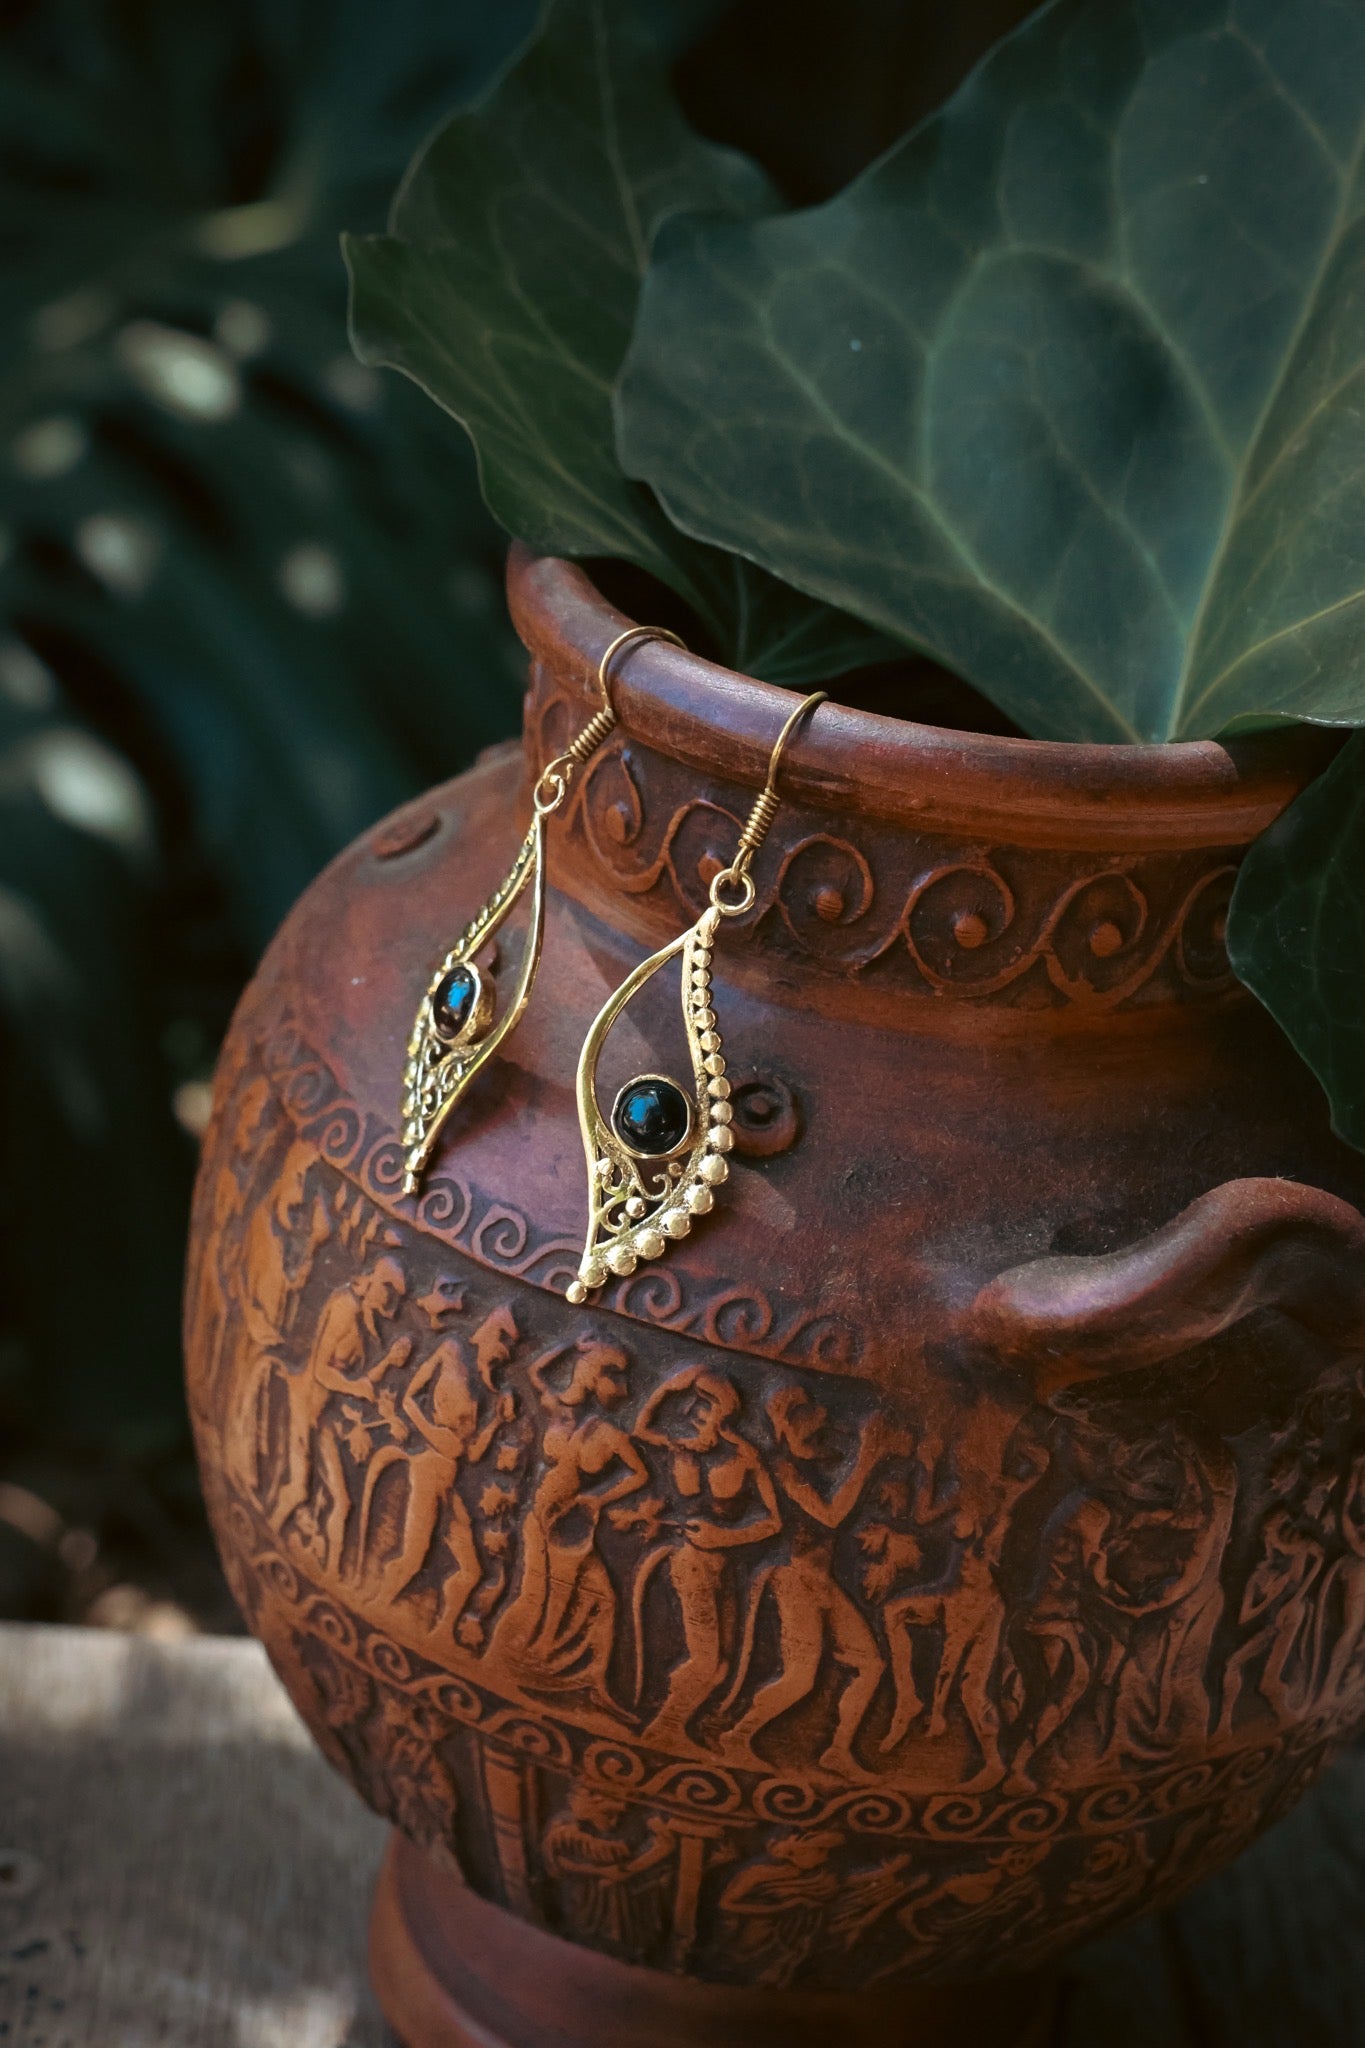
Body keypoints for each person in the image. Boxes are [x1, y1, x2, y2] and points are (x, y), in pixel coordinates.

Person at [723, 1389, 906, 1776]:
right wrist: (870, 1455)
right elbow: (830, 1516)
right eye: (808, 1411)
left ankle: (838, 1750)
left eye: (817, 1407)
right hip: (795, 1579)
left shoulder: (824, 1461)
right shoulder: (784, 1468)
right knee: (800, 1678)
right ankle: (738, 1735)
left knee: (870, 1665)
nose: (821, 1414)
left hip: (824, 1583)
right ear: (786, 1423)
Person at [489, 1337, 648, 1712]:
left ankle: (588, 1683)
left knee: (599, 1599)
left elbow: (639, 1474)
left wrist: (598, 1498)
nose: (623, 1389)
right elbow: (535, 1372)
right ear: (594, 1377)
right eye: (616, 1378)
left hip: (574, 1517)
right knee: (542, 1593)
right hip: (543, 1518)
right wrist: (573, 1346)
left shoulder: (609, 1434)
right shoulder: (557, 1409)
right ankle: (532, 1666)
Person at [632, 1365, 780, 1750]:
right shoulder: (681, 1449)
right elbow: (640, 1429)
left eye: (704, 1415)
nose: (693, 1422)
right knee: (706, 1662)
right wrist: (669, 1385)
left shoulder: (745, 1458)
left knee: (721, 1667)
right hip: (690, 1565)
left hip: (724, 1565)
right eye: (693, 1413)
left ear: (725, 1418)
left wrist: (727, 1537)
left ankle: (671, 1730)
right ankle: (662, 1729)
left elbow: (774, 1522)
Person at [272, 1255, 410, 1568]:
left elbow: (358, 1382)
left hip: (323, 1416)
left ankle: (332, 1567)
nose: (391, 1304)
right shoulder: (346, 1306)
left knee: (343, 1502)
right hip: (306, 1406)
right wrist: (356, 1387)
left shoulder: (365, 1318)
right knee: (296, 1490)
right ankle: (268, 1551)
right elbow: (323, 1372)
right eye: (388, 1294)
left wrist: (389, 1363)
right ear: (374, 1284)